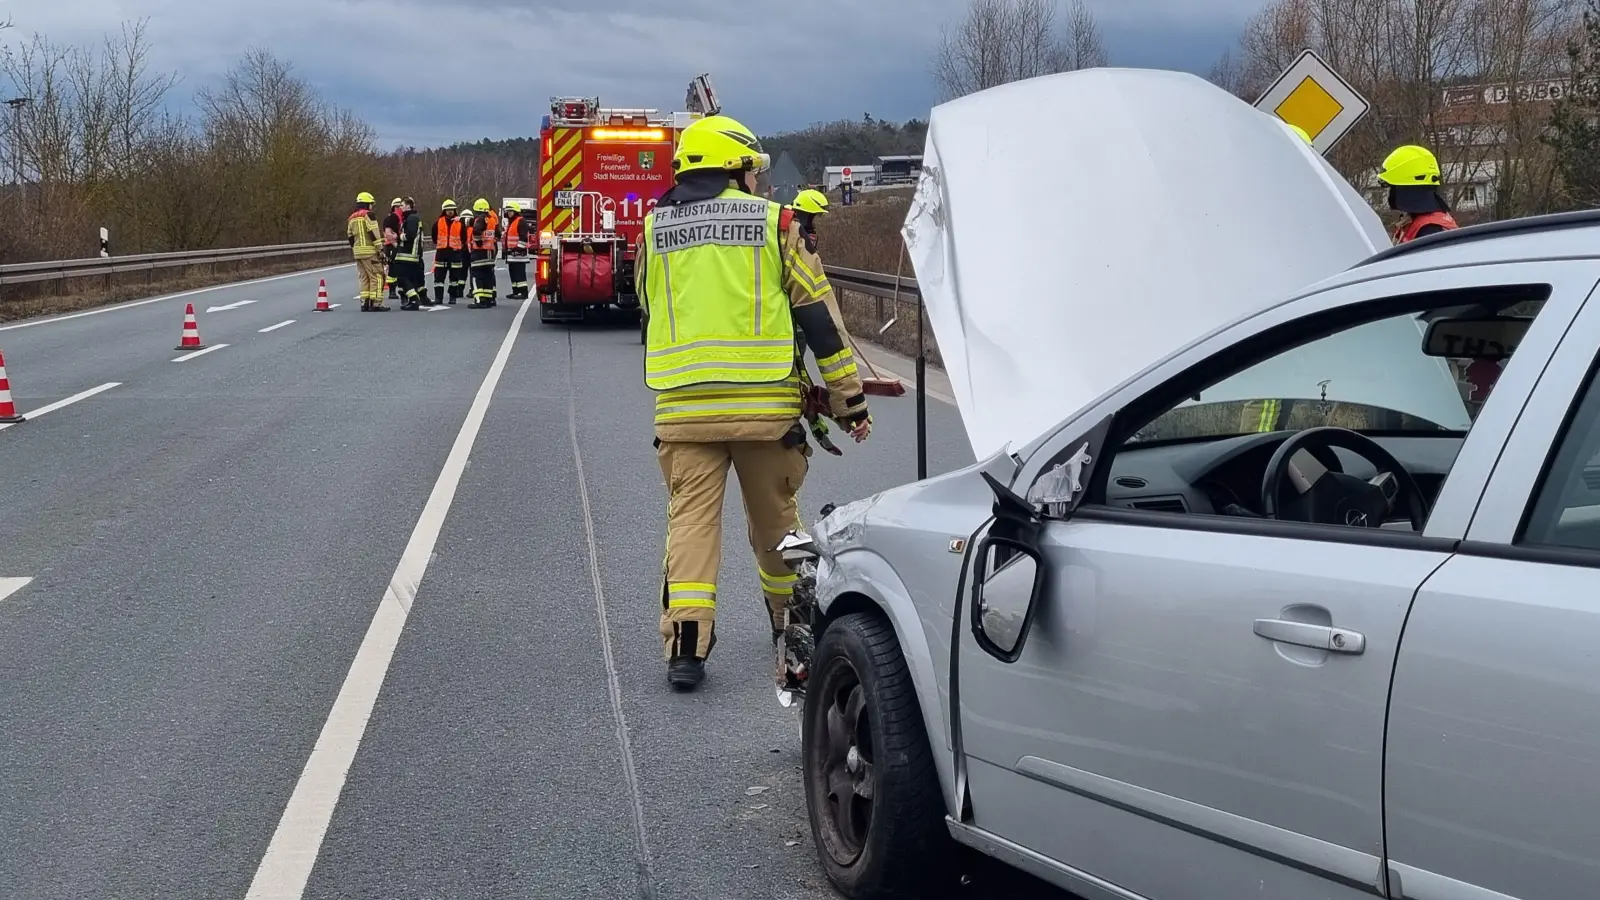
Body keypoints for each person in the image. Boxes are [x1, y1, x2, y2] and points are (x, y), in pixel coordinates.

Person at [637, 113, 872, 691]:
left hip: (684, 411)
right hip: (765, 412)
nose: (758, 181)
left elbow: (648, 304)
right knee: (777, 523)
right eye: (753, 170)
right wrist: (849, 403)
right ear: (734, 167)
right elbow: (819, 322)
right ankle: (792, 630)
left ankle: (686, 648)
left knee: (691, 525)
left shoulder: (653, 229)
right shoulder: (777, 224)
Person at [1378, 145, 1458, 244]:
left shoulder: (1430, 230)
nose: (1390, 192)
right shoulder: (1416, 221)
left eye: (1393, 187)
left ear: (1406, 189)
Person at [347, 191, 388, 311]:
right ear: (366, 204)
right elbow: (373, 233)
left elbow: (350, 236)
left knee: (364, 278)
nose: (372, 206)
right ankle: (376, 303)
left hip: (358, 253)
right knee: (377, 276)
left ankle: (364, 303)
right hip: (370, 252)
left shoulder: (351, 218)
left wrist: (355, 248)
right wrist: (380, 249)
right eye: (371, 204)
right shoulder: (369, 215)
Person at [393, 197, 428, 310]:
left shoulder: (412, 218)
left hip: (408, 254)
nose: (400, 208)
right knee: (410, 278)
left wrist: (398, 237)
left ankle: (413, 299)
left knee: (402, 278)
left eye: (402, 205)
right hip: (412, 254)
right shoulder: (413, 218)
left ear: (408, 206)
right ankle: (415, 299)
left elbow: (410, 235)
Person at [432, 199, 466, 305]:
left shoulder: (460, 223)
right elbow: (434, 236)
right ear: (444, 211)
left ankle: (452, 297)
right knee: (439, 278)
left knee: (454, 278)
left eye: (452, 209)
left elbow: (464, 237)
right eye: (448, 209)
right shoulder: (438, 222)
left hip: (455, 253)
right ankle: (438, 298)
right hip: (441, 253)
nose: (450, 211)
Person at [466, 198, 498, 308]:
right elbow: (497, 234)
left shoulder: (480, 219)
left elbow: (476, 231)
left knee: (476, 276)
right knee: (488, 276)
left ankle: (479, 300)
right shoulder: (492, 220)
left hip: (479, 253)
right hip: (489, 253)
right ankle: (488, 300)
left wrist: (478, 242)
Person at [502, 201, 532, 299]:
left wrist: (517, 249)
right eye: (508, 211)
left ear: (516, 212)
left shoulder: (521, 221)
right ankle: (515, 291)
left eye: (511, 211)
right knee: (513, 274)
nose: (509, 213)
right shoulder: (512, 222)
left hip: (519, 255)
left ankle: (523, 293)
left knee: (520, 275)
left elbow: (523, 238)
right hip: (512, 255)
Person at [381, 197, 404, 300]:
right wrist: (396, 245)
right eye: (398, 206)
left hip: (399, 245)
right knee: (392, 269)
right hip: (391, 246)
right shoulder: (390, 219)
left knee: (401, 268)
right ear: (394, 207)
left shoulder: (403, 218)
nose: (400, 208)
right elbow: (388, 234)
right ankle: (392, 291)